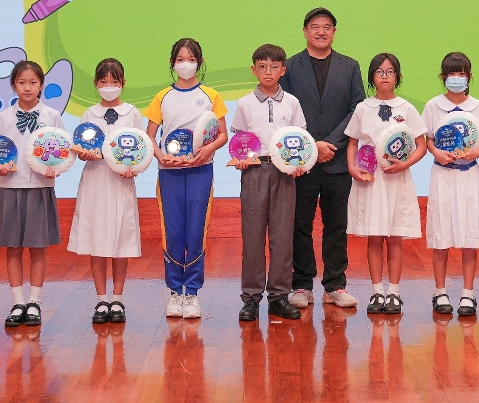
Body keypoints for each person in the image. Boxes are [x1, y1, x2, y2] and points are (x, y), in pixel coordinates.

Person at [279, 7, 365, 310]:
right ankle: (302, 284)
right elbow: (285, 111)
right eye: (315, 26)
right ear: (305, 31)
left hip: (336, 160)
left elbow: (357, 108)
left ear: (334, 32)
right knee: (299, 224)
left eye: (327, 27)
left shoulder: (350, 66)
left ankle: (335, 285)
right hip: (301, 160)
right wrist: (312, 146)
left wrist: (332, 143)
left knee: (336, 225)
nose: (321, 32)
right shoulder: (290, 67)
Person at [144, 38, 228, 320]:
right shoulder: (162, 97)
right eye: (180, 59)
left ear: (200, 63)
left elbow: (223, 135)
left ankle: (191, 293)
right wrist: (160, 157)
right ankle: (174, 292)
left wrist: (207, 151)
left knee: (196, 231)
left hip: (200, 171)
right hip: (169, 173)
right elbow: (150, 136)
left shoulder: (211, 96)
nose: (185, 64)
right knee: (173, 231)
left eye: (191, 59)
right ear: (172, 63)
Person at [345, 53, 427, 315]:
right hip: (370, 179)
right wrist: (352, 167)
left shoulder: (407, 108)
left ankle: (394, 292)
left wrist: (404, 164)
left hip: (396, 178)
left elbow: (421, 145)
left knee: (394, 236)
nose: (384, 76)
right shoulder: (363, 108)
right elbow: (352, 143)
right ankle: (377, 291)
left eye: (390, 72)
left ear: (397, 77)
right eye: (379, 72)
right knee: (374, 237)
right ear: (372, 77)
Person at [0, 60, 66, 328]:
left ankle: (34, 302)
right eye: (22, 82)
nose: (27, 87)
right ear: (13, 85)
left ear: (41, 85)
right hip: (9, 186)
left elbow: (63, 151)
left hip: (40, 187)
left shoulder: (52, 116)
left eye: (33, 82)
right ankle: (18, 301)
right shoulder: (4, 117)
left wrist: (55, 169)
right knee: (13, 246)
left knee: (38, 247)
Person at [230, 44, 306, 322]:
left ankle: (279, 297)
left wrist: (299, 163)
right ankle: (251, 298)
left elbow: (300, 138)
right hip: (254, 170)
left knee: (282, 236)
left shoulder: (292, 103)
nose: (268, 72)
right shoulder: (244, 103)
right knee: (252, 235)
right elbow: (239, 140)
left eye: (274, 67)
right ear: (254, 70)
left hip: (284, 171)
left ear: (283, 70)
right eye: (262, 67)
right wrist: (240, 159)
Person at [68, 58, 142, 325]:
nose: (109, 86)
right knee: (97, 239)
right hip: (96, 180)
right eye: (103, 81)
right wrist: (84, 154)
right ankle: (101, 299)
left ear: (123, 83)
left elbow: (141, 148)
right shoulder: (89, 114)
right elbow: (79, 147)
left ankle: (117, 298)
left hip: (120, 182)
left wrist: (133, 167)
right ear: (96, 84)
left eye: (114, 81)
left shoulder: (132, 113)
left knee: (121, 240)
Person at [422, 52, 479, 317]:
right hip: (442, 174)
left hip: (469, 175)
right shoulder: (433, 106)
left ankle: (468, 293)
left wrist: (477, 153)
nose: (456, 79)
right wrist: (436, 152)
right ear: (443, 77)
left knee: (469, 235)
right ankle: (439, 292)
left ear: (469, 77)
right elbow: (428, 138)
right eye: (452, 74)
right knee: (441, 234)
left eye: (461, 74)